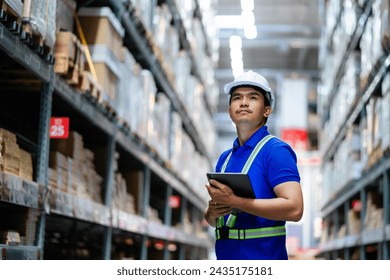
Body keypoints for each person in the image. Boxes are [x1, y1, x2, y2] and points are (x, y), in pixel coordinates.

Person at [204, 70, 304, 260]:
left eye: (253, 97)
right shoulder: (225, 159)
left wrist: (236, 202)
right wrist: (211, 212)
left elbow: (295, 208)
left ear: (267, 110)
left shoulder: (275, 151)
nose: (243, 102)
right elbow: (213, 220)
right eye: (236, 98)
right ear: (229, 111)